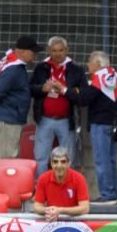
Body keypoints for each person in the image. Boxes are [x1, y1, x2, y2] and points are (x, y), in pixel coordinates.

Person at [75, 51, 117, 203]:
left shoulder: (99, 79)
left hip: (100, 123)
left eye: (90, 61)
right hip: (112, 122)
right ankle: (113, 192)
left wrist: (66, 91)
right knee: (110, 161)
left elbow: (83, 99)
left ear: (97, 64)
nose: (88, 64)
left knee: (102, 161)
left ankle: (107, 194)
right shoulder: (114, 76)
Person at [29, 36, 80, 178]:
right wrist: (42, 88)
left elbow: (82, 95)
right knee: (41, 157)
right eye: (54, 50)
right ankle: (41, 189)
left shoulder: (75, 69)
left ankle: (67, 188)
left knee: (68, 157)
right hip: (45, 120)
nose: (57, 54)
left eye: (61, 50)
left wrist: (64, 89)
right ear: (48, 51)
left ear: (66, 50)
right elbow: (30, 89)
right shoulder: (41, 68)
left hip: (66, 120)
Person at [0, 36, 38, 160]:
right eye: (33, 52)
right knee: (8, 156)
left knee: (12, 153)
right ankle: (4, 179)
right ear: (23, 52)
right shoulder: (13, 69)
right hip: (9, 118)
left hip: (12, 117)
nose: (35, 56)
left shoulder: (16, 67)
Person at [32, 148, 91, 224]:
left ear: (68, 163)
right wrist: (50, 211)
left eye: (63, 162)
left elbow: (85, 208)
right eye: (55, 162)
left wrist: (59, 210)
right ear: (51, 163)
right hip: (52, 222)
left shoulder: (79, 178)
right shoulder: (43, 178)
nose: (59, 165)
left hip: (76, 223)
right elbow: (37, 207)